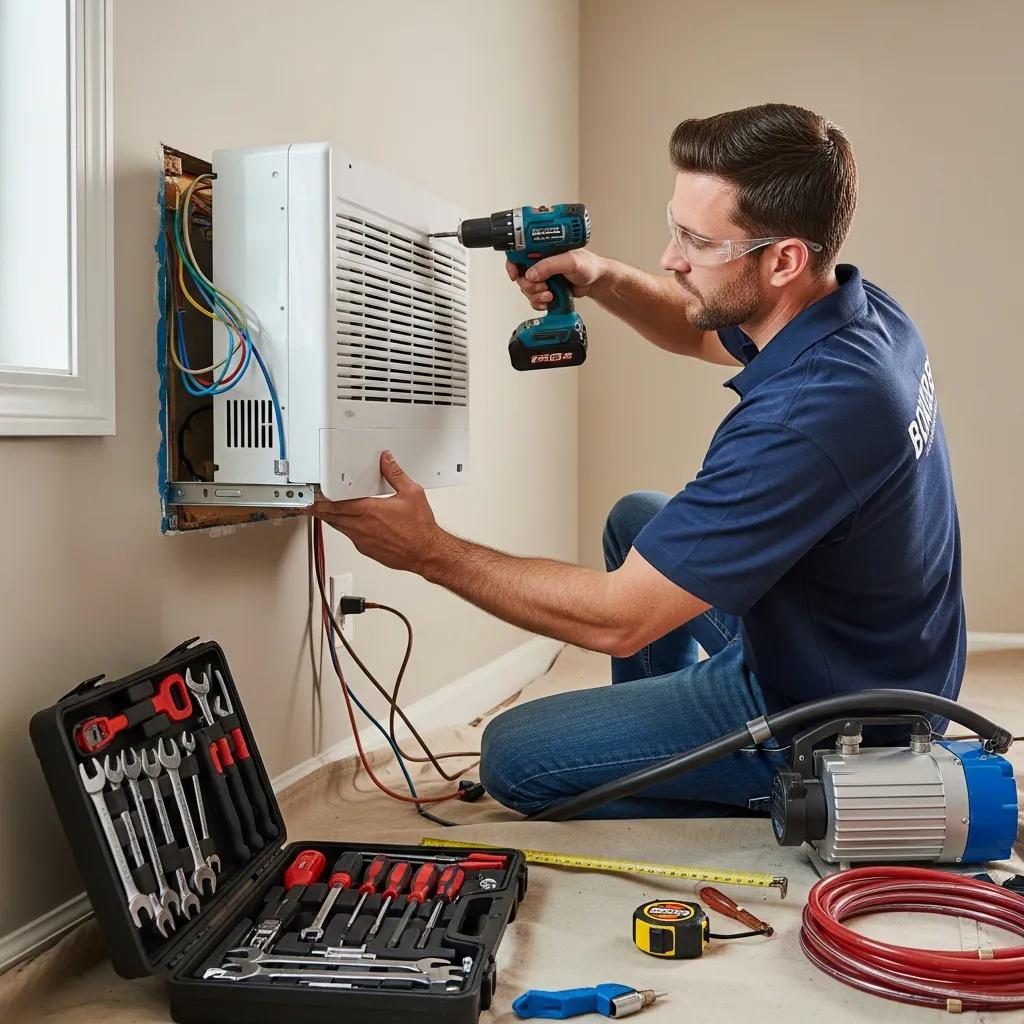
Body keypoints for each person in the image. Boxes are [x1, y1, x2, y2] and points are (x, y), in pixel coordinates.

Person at [312, 103, 965, 819]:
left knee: (514, 758)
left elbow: (619, 622)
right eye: (674, 226)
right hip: (878, 651)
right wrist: (599, 277)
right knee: (638, 521)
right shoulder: (856, 311)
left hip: (832, 716)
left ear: (783, 259)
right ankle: (655, 738)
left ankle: (747, 776)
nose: (670, 257)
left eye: (696, 240)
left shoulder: (807, 419)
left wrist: (428, 551)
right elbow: (697, 333)